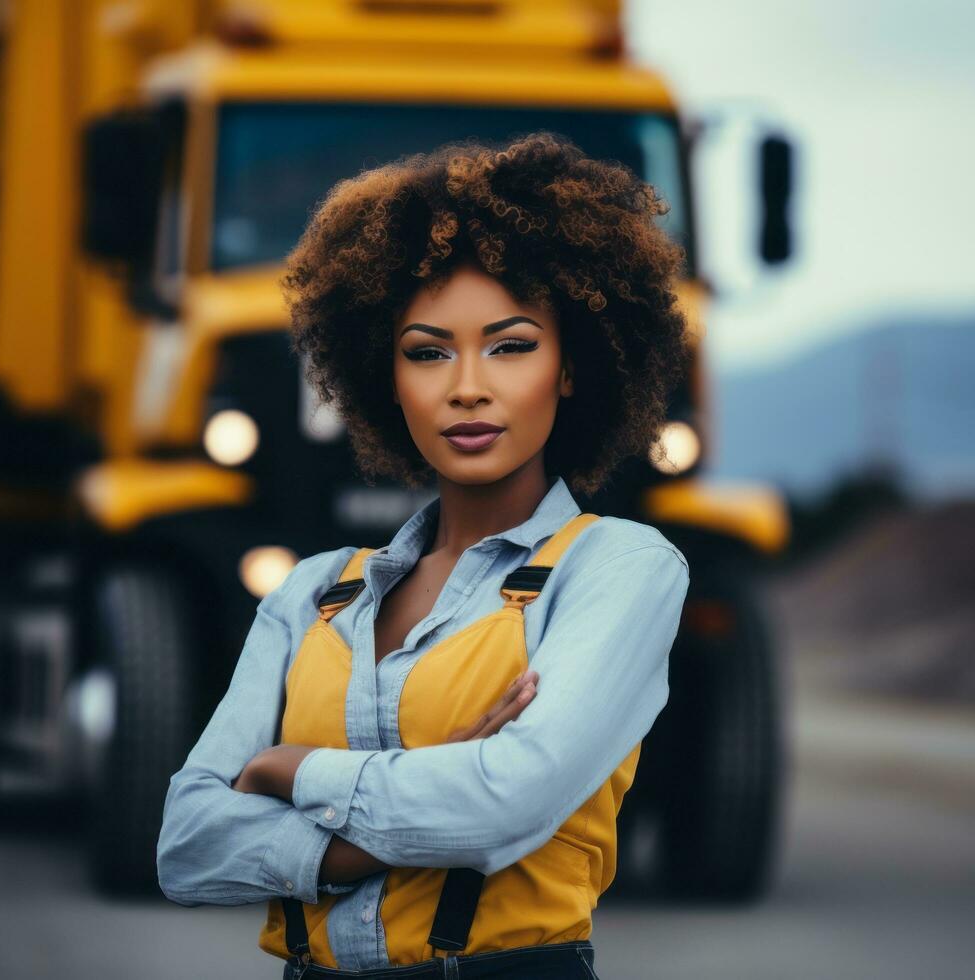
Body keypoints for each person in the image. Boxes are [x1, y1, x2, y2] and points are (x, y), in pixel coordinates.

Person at [157, 131, 692, 979]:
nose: (466, 385)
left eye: (511, 345)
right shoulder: (309, 592)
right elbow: (185, 847)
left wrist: (292, 771)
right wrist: (383, 835)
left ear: (570, 368)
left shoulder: (620, 567)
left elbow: (504, 804)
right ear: (385, 375)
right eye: (427, 351)